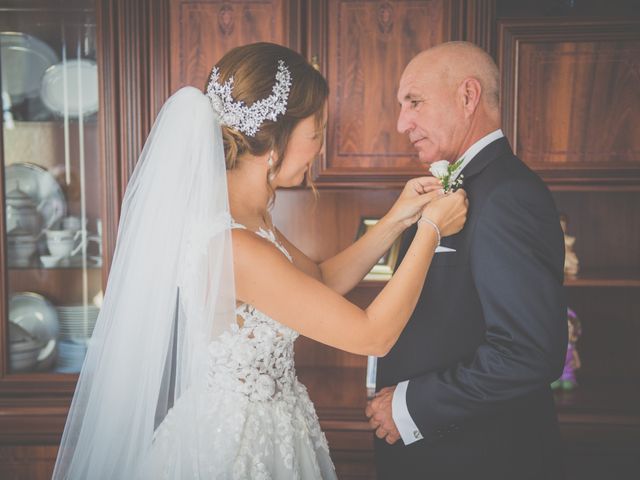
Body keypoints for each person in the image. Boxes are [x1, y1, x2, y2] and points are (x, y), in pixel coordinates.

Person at [52, 42, 467, 479]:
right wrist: (431, 231)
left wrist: (398, 218)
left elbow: (321, 280)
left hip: (273, 426)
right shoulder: (235, 246)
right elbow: (372, 336)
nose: (320, 148)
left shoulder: (248, 220)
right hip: (237, 446)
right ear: (277, 137)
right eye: (316, 132)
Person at [366, 41, 568, 480]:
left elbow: (529, 352)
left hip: (478, 457)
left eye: (414, 102)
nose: (402, 123)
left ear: (468, 96)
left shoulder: (507, 195)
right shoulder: (465, 185)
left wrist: (409, 407)